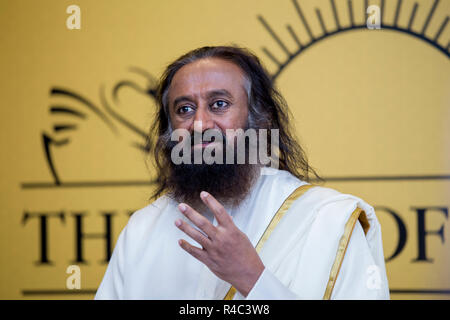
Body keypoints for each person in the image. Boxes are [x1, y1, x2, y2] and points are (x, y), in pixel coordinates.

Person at [95, 46, 390, 300]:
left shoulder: (328, 220)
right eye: (184, 109)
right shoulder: (143, 229)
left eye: (219, 105)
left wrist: (252, 277)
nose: (199, 124)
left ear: (259, 120)